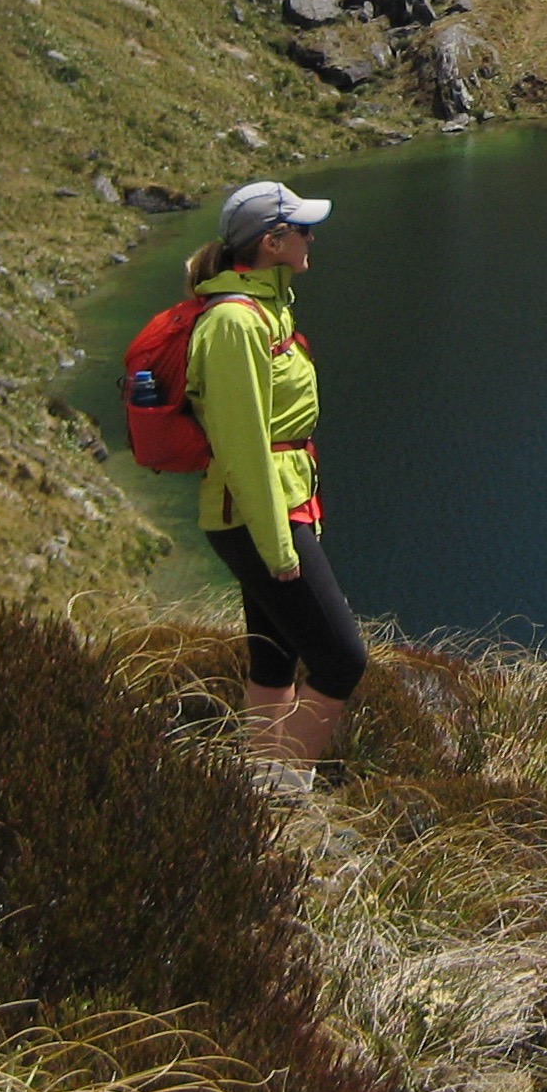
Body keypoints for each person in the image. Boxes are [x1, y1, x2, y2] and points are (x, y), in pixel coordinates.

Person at [182, 178, 367, 783]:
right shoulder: (235, 323)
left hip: (278, 504)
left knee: (274, 654)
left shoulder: (268, 305)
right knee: (341, 660)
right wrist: (278, 543)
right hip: (257, 514)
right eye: (304, 229)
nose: (313, 238)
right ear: (273, 241)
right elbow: (242, 445)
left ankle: (259, 784)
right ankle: (281, 798)